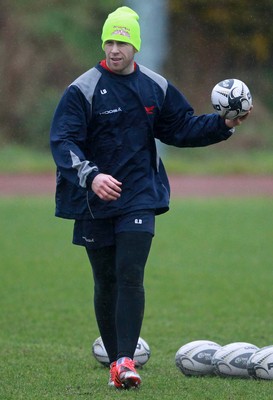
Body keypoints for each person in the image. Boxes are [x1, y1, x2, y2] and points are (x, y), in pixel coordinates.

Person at [50, 6, 251, 390]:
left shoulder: (154, 86)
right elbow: (63, 142)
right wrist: (91, 177)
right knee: (105, 280)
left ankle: (124, 362)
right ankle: (115, 358)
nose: (114, 49)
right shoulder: (83, 89)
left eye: (122, 42)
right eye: (109, 40)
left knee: (130, 274)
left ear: (135, 46)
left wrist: (222, 124)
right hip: (94, 200)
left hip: (139, 195)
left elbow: (181, 127)